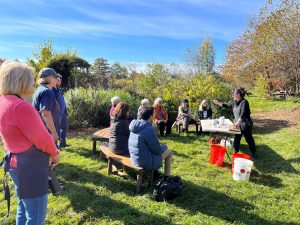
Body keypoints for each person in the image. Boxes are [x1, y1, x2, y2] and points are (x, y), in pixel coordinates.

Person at [0, 61, 60, 225]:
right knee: (36, 214)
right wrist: (55, 154)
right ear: (20, 81)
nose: (33, 82)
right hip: (30, 166)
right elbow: (43, 139)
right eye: (30, 78)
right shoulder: (21, 107)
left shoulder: (3, 101)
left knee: (24, 206)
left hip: (13, 161)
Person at [129, 107, 173, 179]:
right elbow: (157, 150)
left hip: (134, 158)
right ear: (150, 117)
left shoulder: (134, 125)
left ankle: (155, 173)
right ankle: (166, 177)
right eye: (153, 115)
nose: (154, 116)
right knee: (169, 151)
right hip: (143, 161)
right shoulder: (149, 128)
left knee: (153, 149)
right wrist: (164, 146)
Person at [213, 87, 257, 158]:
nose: (232, 95)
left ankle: (254, 152)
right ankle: (236, 151)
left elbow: (242, 114)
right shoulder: (235, 102)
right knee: (237, 137)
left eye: (234, 93)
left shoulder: (244, 102)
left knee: (248, 138)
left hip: (245, 124)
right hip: (237, 123)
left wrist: (237, 123)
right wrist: (218, 103)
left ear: (238, 94)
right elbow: (227, 105)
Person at [32, 68, 61, 144]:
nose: (57, 79)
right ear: (50, 78)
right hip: (47, 133)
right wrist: (54, 133)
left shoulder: (40, 89)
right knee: (49, 155)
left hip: (40, 131)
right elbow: (45, 114)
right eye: (56, 77)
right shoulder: (46, 92)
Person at [52, 74, 69, 148]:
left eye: (60, 80)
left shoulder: (58, 90)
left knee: (64, 128)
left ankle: (63, 143)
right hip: (56, 114)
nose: (60, 81)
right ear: (54, 80)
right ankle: (54, 146)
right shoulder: (51, 90)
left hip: (63, 113)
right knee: (56, 130)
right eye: (58, 80)